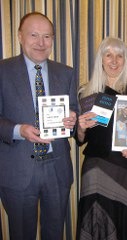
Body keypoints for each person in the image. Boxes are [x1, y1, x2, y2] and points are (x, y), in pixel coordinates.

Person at [0, 12, 78, 239]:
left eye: (47, 36)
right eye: (34, 35)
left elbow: (74, 113)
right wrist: (19, 130)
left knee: (54, 233)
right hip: (18, 169)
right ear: (20, 37)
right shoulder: (2, 71)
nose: (41, 43)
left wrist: (72, 119)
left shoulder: (66, 73)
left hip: (57, 167)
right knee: (21, 234)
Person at [76, 37, 127, 240]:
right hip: (96, 167)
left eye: (119, 56)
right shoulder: (87, 91)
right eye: (108, 55)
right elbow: (81, 138)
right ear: (101, 59)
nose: (114, 61)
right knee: (96, 223)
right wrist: (80, 128)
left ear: (125, 60)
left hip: (126, 164)